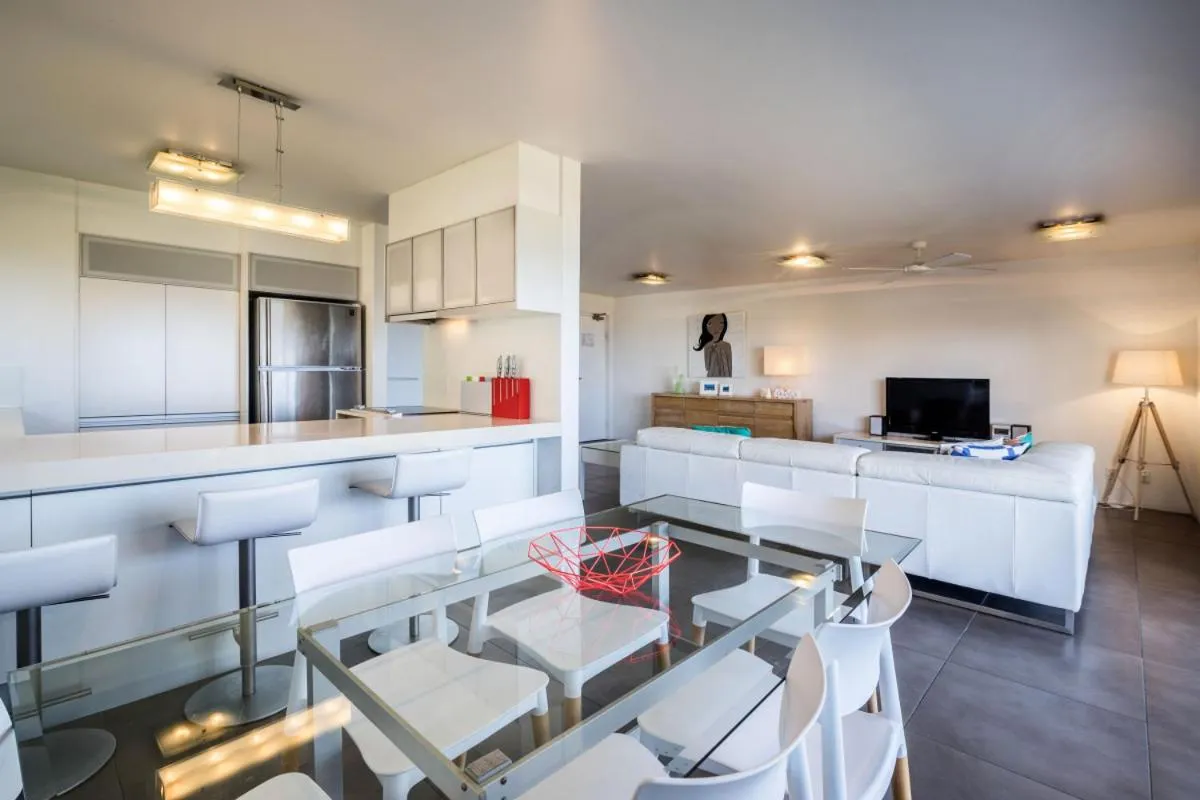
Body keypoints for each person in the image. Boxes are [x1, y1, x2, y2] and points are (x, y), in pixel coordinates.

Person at [693, 313, 732, 377]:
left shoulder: (727, 345)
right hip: (711, 377)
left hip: (725, 377)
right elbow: (707, 367)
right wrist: (711, 352)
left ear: (724, 325)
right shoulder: (707, 346)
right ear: (705, 327)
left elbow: (730, 367)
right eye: (710, 324)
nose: (716, 327)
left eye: (721, 323)